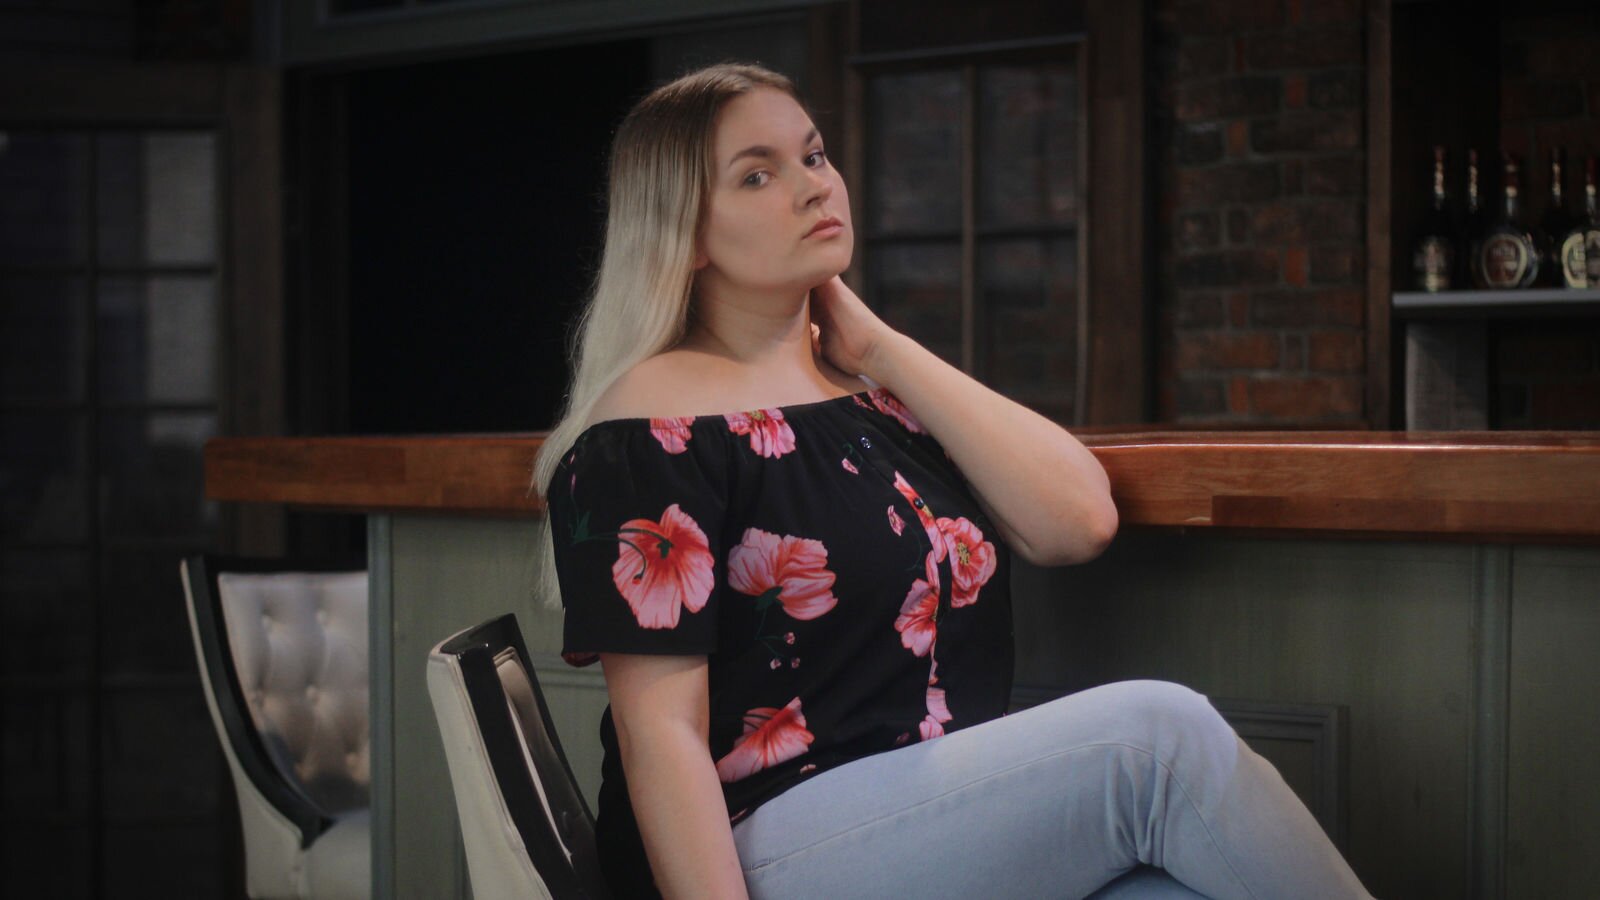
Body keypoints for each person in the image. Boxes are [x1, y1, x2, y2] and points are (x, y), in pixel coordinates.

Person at [531, 63, 1371, 899]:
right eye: (758, 174)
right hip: (758, 839)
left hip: (919, 817)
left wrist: (879, 348)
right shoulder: (647, 428)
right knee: (1158, 739)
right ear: (683, 232)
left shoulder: (864, 392)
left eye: (814, 156)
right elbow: (662, 739)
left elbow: (1077, 520)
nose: (813, 186)